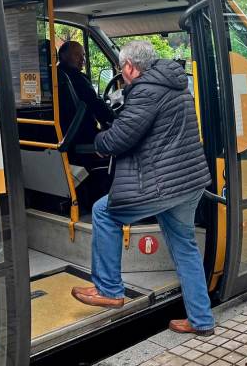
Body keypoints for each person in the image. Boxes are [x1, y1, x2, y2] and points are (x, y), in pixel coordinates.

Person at [70, 41, 214, 336]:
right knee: (185, 249)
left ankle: (109, 289)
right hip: (190, 182)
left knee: (103, 212)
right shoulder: (175, 83)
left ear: (131, 68)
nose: (121, 75)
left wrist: (98, 143)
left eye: (121, 69)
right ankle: (201, 320)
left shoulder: (146, 91)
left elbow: (122, 137)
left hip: (163, 184)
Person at [57, 41, 114, 151]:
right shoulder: (76, 77)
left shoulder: (58, 75)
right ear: (63, 56)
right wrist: (114, 117)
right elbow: (96, 104)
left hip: (71, 133)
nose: (82, 59)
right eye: (77, 54)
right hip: (83, 134)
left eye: (83, 55)